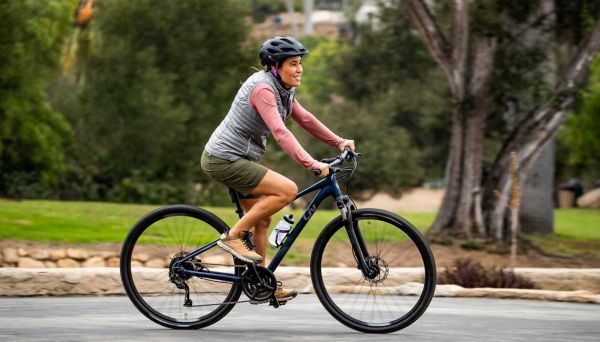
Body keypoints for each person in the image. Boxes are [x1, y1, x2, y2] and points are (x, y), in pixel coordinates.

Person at [201, 36, 355, 302]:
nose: (300, 69)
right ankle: (233, 236)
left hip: (240, 159)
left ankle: (260, 283)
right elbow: (280, 133)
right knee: (287, 191)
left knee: (262, 219)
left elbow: (305, 119)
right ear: (275, 66)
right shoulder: (263, 90)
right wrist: (312, 164)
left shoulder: (283, 89)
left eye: (300, 63)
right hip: (224, 159)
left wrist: (338, 141)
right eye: (293, 64)